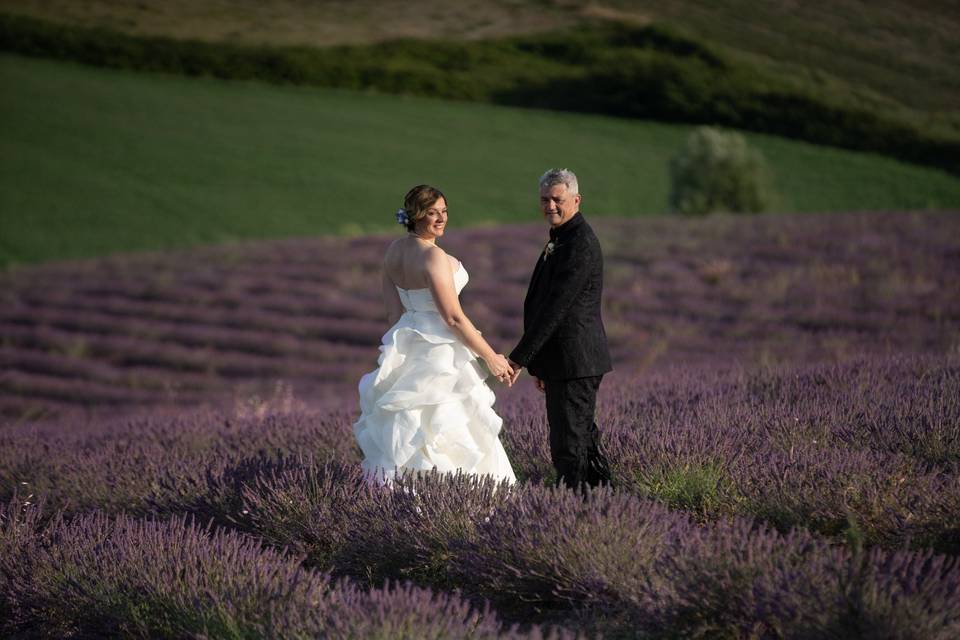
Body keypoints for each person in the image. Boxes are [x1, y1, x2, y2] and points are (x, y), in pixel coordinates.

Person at [353, 185, 517, 485]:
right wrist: (491, 357)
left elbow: (394, 315)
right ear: (415, 216)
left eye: (444, 211)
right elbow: (453, 317)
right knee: (449, 426)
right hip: (441, 353)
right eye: (432, 213)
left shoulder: (393, 251)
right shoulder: (434, 257)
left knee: (409, 427)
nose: (441, 219)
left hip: (408, 343)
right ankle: (459, 499)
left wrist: (400, 356)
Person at [508, 168, 614, 491]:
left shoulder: (578, 243)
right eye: (545, 200)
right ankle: (601, 502)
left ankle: (578, 512)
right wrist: (542, 364)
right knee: (579, 438)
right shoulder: (561, 238)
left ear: (576, 200)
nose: (550, 206)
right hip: (562, 362)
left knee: (569, 446)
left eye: (558, 199)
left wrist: (519, 359)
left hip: (575, 361)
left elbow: (557, 307)